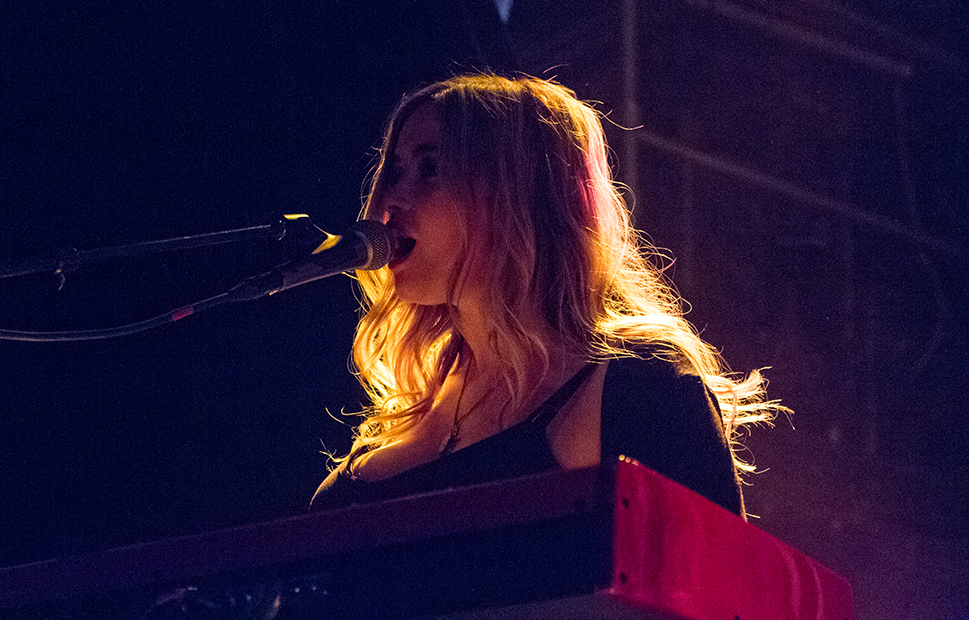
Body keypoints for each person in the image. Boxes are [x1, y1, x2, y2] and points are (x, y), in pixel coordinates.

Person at [311, 73, 782, 517]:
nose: (391, 201)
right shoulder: (399, 421)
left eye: (430, 168)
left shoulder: (639, 394)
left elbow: (713, 574)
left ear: (518, 195)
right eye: (395, 172)